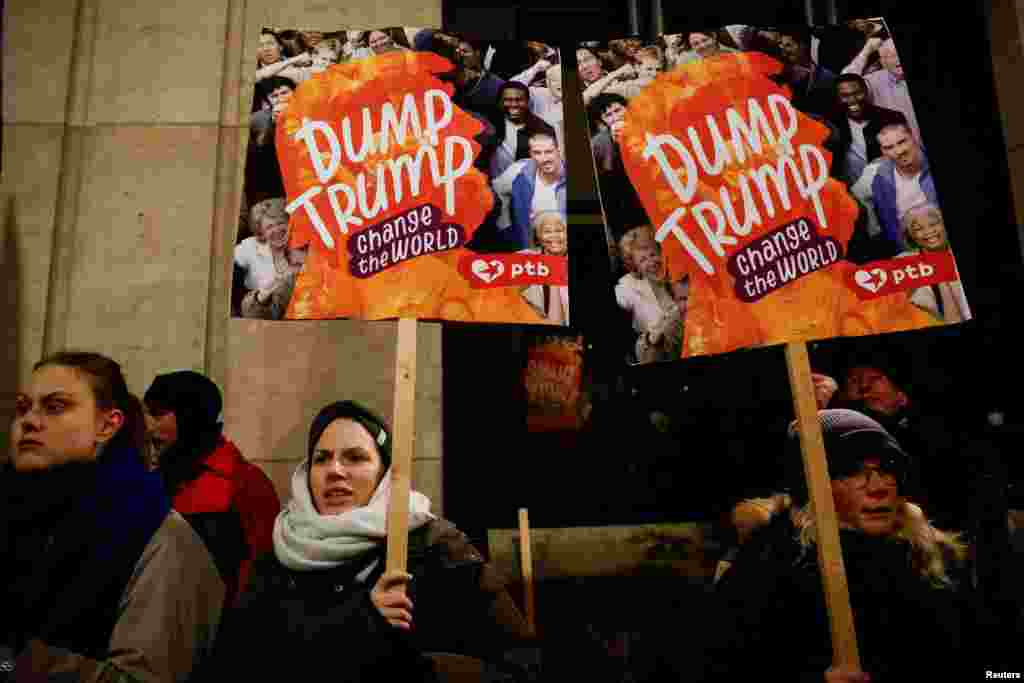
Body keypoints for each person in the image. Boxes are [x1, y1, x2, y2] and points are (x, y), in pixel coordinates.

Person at [214, 401, 537, 681]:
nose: (335, 471)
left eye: (355, 458)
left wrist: (425, 672)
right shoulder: (280, 554)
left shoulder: (437, 548)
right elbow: (240, 665)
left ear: (386, 475)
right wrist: (363, 623)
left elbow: (519, 661)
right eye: (321, 458)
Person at [701, 409, 1015, 682]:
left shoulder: (937, 559)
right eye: (852, 472)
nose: (878, 487)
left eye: (886, 469)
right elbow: (719, 668)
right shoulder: (772, 564)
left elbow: (991, 665)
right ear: (812, 486)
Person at [2, 351, 224, 681]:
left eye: (55, 406)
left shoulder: (158, 534)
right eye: (22, 408)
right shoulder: (15, 515)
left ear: (108, 425)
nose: (29, 421)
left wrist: (16, 662)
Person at [144, 370, 281, 608]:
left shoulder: (246, 484)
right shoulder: (155, 478)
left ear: (189, 416)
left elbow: (258, 580)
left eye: (157, 414)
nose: (149, 427)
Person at [233, 197, 307, 319]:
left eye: (281, 223)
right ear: (261, 232)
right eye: (269, 227)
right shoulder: (250, 247)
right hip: (260, 311)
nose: (277, 230)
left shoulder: (303, 247)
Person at [868, 121, 937, 250]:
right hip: (914, 252)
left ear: (913, 137)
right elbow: (890, 225)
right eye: (889, 147)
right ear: (883, 151)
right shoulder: (880, 180)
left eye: (902, 142)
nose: (899, 151)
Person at [492, 131, 567, 250]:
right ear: (531, 155)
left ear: (558, 151)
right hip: (532, 251)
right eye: (537, 153)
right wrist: (505, 226)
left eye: (549, 152)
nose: (544, 158)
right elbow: (497, 190)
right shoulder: (519, 172)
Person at [897, 203, 970, 323]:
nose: (929, 231)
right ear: (911, 235)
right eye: (918, 229)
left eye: (933, 224)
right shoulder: (903, 264)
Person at [843, 37, 922, 147]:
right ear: (882, 61)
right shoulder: (874, 81)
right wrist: (866, 50)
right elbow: (844, 83)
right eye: (891, 55)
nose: (897, 59)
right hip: (901, 153)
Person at [831, 73, 906, 186]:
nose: (852, 100)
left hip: (894, 187)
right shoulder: (833, 124)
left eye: (858, 93)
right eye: (845, 96)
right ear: (837, 98)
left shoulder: (892, 118)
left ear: (866, 93)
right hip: (853, 195)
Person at [488, 82, 558, 181]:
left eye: (519, 100)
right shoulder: (490, 123)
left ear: (528, 101)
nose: (514, 104)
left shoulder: (543, 131)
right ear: (499, 102)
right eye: (507, 100)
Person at [519, 210, 570, 325]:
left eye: (559, 230)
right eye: (547, 231)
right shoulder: (524, 259)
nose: (554, 236)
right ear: (538, 237)